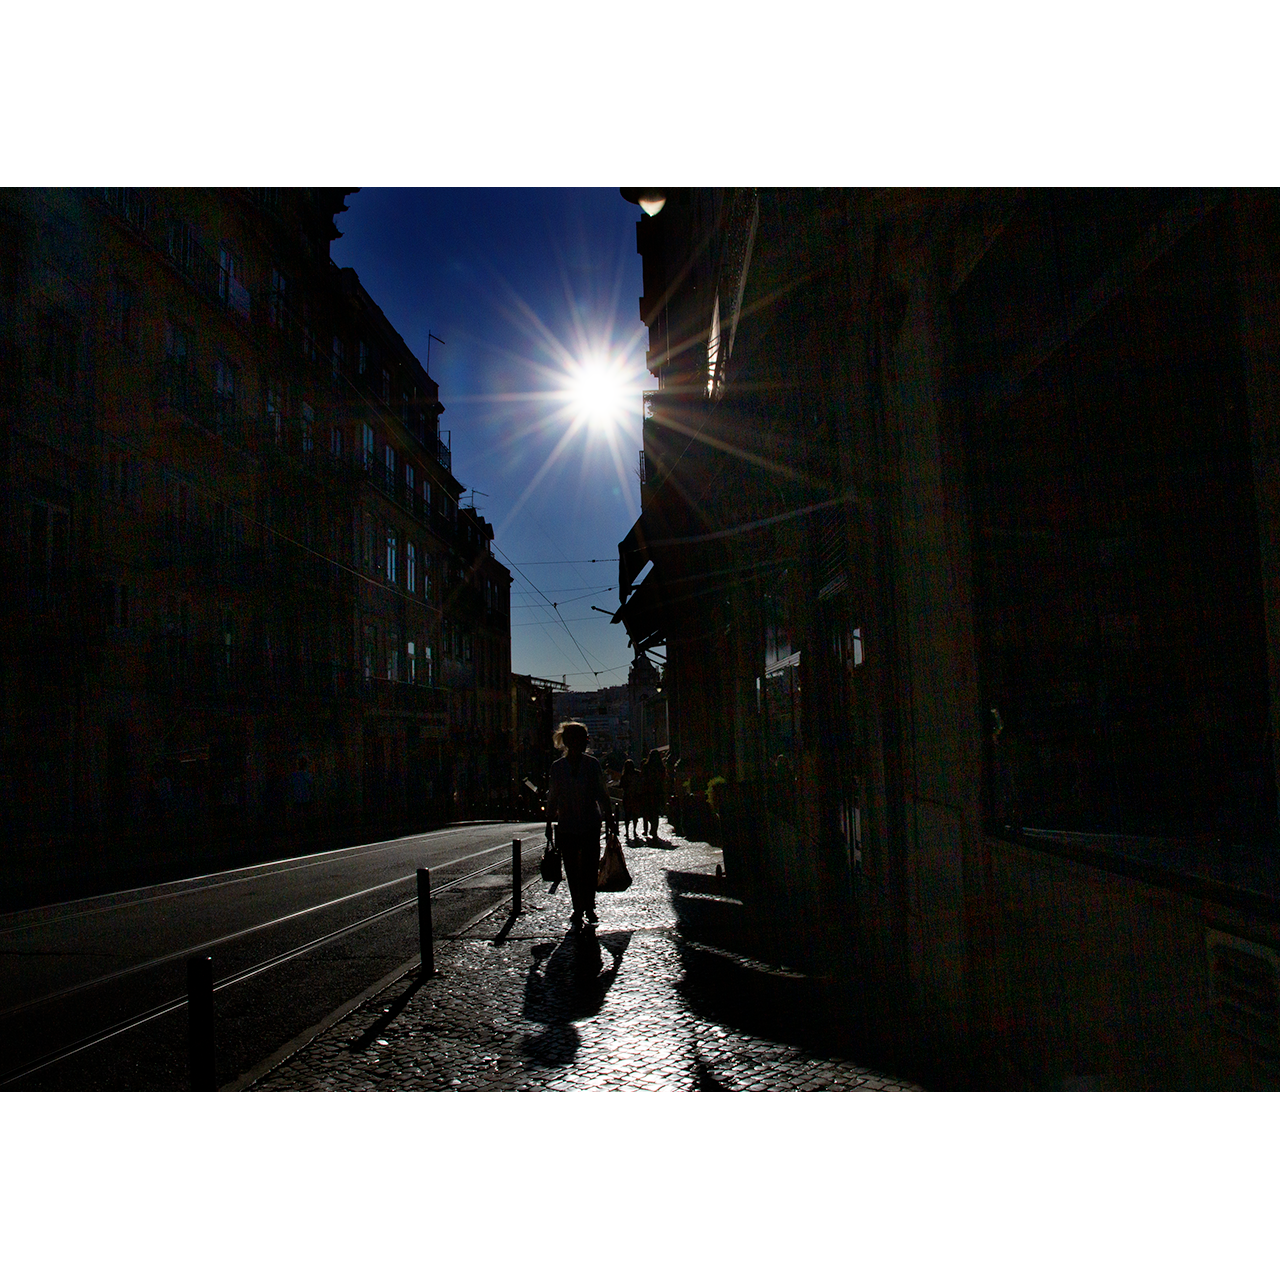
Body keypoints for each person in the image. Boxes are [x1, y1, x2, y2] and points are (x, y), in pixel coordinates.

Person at [544, 721, 613, 932]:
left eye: (585, 740)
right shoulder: (558, 768)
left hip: (590, 823)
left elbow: (602, 793)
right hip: (567, 825)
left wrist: (608, 817)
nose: (584, 744)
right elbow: (553, 797)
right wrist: (549, 822)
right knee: (572, 870)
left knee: (590, 868)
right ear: (569, 742)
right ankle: (577, 907)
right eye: (581, 740)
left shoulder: (592, 765)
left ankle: (589, 904)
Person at [641, 748, 666, 840]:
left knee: (649, 811)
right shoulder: (661, 767)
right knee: (656, 812)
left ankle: (652, 828)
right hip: (657, 792)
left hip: (648, 792)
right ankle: (654, 829)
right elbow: (663, 779)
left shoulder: (646, 767)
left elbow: (643, 780)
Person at [620, 758, 641, 841]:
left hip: (627, 797)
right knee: (635, 815)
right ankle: (634, 830)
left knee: (627, 815)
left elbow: (621, 786)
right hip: (635, 797)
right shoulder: (637, 774)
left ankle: (627, 830)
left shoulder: (624, 776)